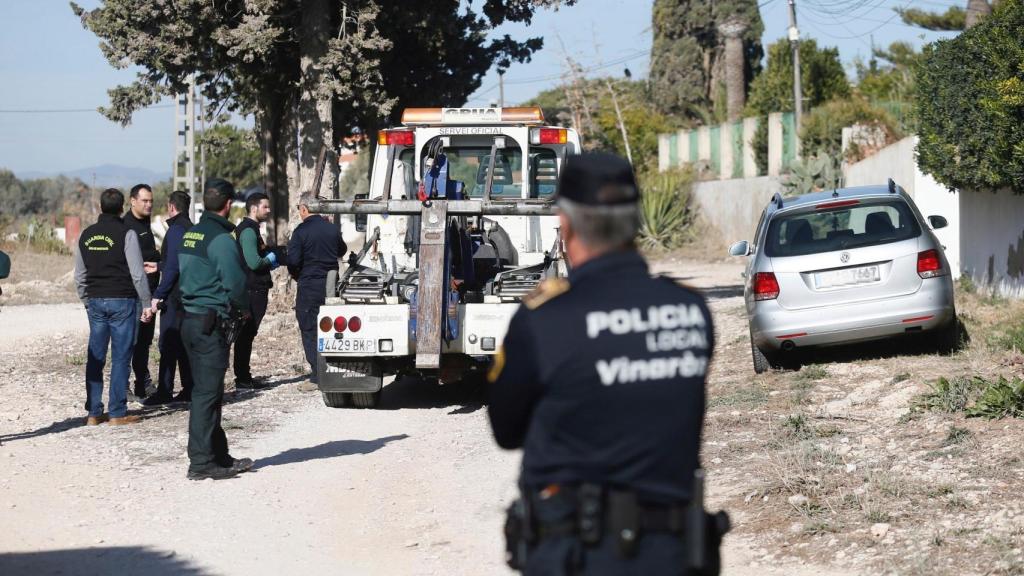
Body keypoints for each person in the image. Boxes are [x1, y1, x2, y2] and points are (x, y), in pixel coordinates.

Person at [487, 153, 721, 575]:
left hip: (578, 556)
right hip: (673, 556)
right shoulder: (691, 309)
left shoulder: (545, 318)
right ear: (636, 220)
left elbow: (506, 432)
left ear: (566, 224)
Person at [178, 178, 253, 481]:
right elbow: (234, 283)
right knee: (207, 395)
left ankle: (218, 454)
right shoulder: (221, 240)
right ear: (228, 205)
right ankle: (200, 463)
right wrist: (244, 308)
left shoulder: (190, 235)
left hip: (190, 320)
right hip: (211, 323)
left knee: (207, 392)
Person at [74, 188, 154, 426]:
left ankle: (94, 412)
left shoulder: (87, 235)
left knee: (95, 356)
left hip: (96, 301)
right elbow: (137, 273)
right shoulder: (126, 233)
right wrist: (146, 302)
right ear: (122, 208)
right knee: (121, 357)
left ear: (100, 207)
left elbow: (79, 275)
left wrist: (86, 300)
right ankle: (117, 412)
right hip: (123, 301)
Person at [287, 192, 346, 392]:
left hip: (309, 285)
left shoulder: (300, 231)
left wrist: (298, 275)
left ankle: (317, 376)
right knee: (331, 328)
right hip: (331, 285)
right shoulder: (331, 228)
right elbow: (342, 250)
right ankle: (334, 367)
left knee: (310, 329)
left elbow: (293, 261)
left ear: (304, 208)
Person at [144, 191, 194, 406]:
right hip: (190, 294)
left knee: (168, 343)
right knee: (183, 344)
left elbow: (174, 268)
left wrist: (158, 295)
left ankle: (165, 390)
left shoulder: (175, 231)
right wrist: (159, 266)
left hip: (174, 296)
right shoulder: (191, 229)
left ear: (171, 207)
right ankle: (189, 388)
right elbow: (183, 262)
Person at [233, 192, 280, 389]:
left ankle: (244, 376)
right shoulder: (248, 231)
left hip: (253, 288)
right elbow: (253, 262)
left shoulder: (251, 229)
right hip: (253, 290)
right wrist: (269, 260)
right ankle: (242, 378)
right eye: (265, 207)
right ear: (254, 208)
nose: (268, 211)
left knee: (247, 335)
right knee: (246, 334)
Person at [124, 183, 161, 399]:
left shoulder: (145, 222)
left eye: (151, 201)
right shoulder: (126, 226)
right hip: (135, 294)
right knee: (131, 340)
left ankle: (142, 383)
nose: (148, 205)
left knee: (145, 342)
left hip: (151, 292)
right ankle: (124, 385)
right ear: (133, 201)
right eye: (145, 201)